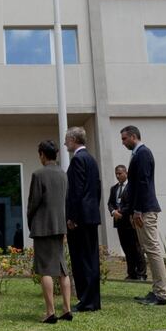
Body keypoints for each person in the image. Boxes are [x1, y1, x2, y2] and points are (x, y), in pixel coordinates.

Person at [120, 125, 166, 305]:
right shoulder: (138, 155)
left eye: (124, 139)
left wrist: (138, 210)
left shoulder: (143, 154)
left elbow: (143, 183)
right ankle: (157, 290)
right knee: (149, 249)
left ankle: (161, 294)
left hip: (146, 210)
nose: (123, 143)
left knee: (152, 250)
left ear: (133, 136)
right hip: (141, 210)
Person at [26, 139, 72, 324]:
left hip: (43, 227)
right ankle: (67, 309)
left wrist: (31, 221)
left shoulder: (39, 174)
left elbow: (33, 203)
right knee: (62, 268)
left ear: (42, 155)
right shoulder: (63, 174)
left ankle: (50, 311)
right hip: (60, 226)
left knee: (45, 269)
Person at [64, 127, 101, 312]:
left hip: (81, 219)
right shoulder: (91, 159)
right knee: (92, 259)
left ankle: (86, 301)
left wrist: (73, 217)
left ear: (73, 140)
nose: (64, 143)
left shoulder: (78, 159)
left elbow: (76, 192)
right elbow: (97, 188)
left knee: (82, 260)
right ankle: (93, 300)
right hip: (91, 216)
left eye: (66, 140)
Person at [108, 164, 146, 281]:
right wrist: (113, 212)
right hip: (119, 223)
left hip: (130, 222)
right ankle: (131, 273)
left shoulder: (131, 187)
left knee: (136, 247)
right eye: (116, 174)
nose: (118, 176)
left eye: (120, 173)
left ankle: (141, 274)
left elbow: (131, 204)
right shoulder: (114, 188)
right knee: (126, 248)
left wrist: (121, 212)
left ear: (126, 173)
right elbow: (110, 203)